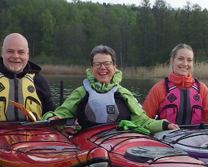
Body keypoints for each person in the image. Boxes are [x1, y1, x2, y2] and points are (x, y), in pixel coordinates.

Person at [43, 45, 179, 133]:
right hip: (88, 144)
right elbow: (59, 114)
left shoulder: (124, 93)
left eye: (107, 63)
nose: (102, 68)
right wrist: (53, 120)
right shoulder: (81, 92)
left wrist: (165, 125)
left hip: (119, 143)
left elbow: (143, 121)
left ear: (114, 68)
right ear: (91, 69)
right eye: (98, 64)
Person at [142, 44, 208, 125]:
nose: (185, 64)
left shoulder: (202, 89)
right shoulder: (159, 88)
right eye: (180, 59)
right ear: (172, 61)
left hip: (195, 136)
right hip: (165, 136)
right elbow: (144, 120)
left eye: (189, 60)